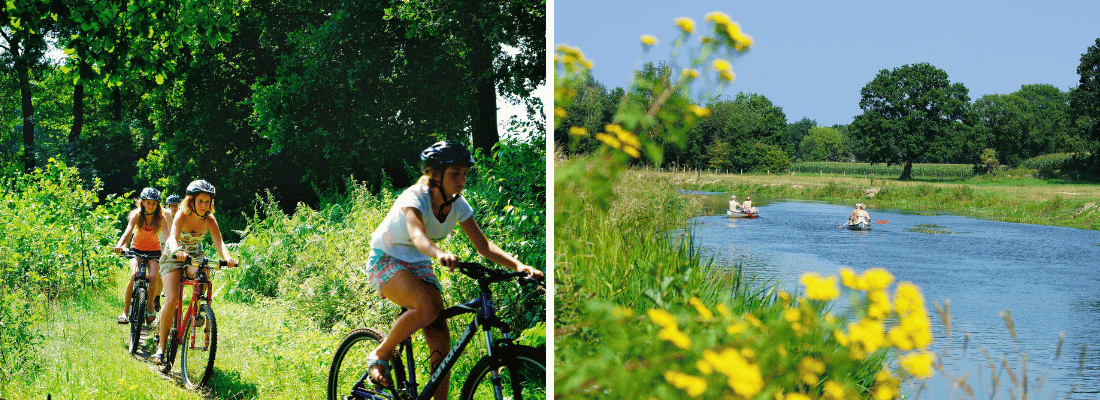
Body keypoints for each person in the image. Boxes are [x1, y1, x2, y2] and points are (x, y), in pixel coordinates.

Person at [363, 141, 542, 399]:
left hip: (419, 262)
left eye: (465, 173)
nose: (462, 179)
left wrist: (519, 266)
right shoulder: (414, 197)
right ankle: (380, 353)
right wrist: (440, 253)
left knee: (440, 333)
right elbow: (417, 235)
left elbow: (484, 245)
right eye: (455, 173)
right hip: (387, 256)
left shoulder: (458, 204)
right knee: (426, 306)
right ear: (436, 174)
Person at [152, 180, 238, 364]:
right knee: (173, 297)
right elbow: (173, 237)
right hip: (173, 254)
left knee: (204, 271)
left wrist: (228, 258)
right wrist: (177, 251)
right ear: (191, 200)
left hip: (194, 254)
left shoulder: (210, 219)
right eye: (200, 201)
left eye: (207, 202)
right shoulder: (182, 215)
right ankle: (160, 348)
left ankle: (198, 309)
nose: (204, 205)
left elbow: (220, 243)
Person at [112, 187, 171, 324]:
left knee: (154, 276)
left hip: (154, 252)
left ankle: (150, 307)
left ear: (157, 205)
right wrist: (120, 245)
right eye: (148, 202)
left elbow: (167, 237)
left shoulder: (160, 218)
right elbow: (127, 232)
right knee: (135, 275)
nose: (151, 206)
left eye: (154, 203)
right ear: (142, 202)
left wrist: (170, 250)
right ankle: (125, 312)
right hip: (136, 250)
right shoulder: (137, 215)